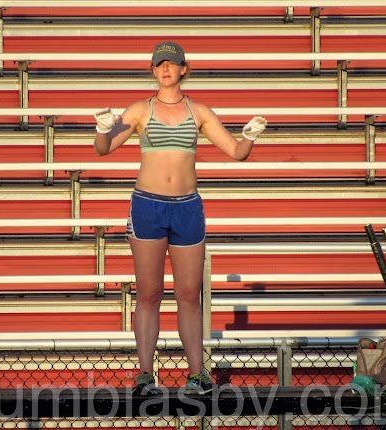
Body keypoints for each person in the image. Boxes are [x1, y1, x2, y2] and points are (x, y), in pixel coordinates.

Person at [93, 41, 267, 395]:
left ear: (183, 69)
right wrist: (101, 129)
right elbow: (104, 148)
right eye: (160, 64)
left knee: (189, 294)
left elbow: (236, 152)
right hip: (148, 205)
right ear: (153, 70)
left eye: (171, 64)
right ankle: (145, 375)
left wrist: (249, 137)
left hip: (187, 207)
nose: (165, 69)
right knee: (149, 293)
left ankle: (197, 375)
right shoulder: (140, 109)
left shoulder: (198, 111)